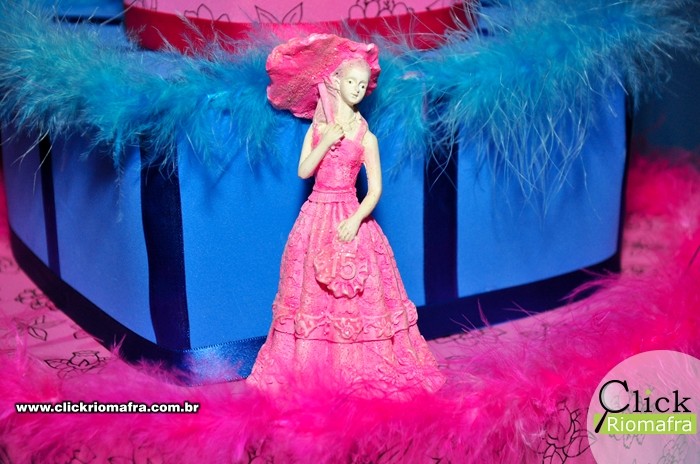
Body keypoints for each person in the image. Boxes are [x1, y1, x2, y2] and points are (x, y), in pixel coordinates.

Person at [247, 34, 445, 398]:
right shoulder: (318, 128)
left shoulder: (368, 138)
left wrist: (355, 220)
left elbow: (375, 190)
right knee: (310, 291)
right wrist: (325, 140)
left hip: (350, 215)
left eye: (361, 84)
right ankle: (313, 367)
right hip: (316, 216)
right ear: (336, 82)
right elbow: (303, 171)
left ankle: (360, 365)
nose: (356, 89)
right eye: (350, 82)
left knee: (359, 292)